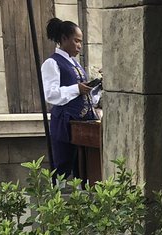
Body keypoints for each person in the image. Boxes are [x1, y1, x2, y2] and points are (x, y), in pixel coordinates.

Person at [40, 17, 99, 181]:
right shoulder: (52, 63)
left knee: (83, 167)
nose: (79, 45)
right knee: (62, 167)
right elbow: (50, 94)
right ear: (64, 39)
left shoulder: (75, 64)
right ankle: (57, 202)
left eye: (81, 42)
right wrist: (77, 88)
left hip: (82, 124)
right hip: (65, 123)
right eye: (76, 41)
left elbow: (83, 95)